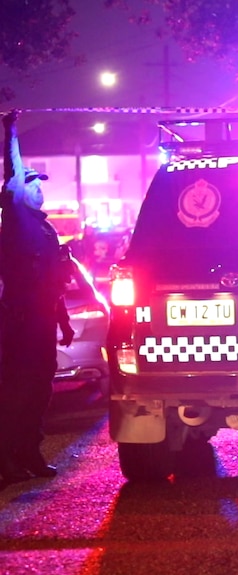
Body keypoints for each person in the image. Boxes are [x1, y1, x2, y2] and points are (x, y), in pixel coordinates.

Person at [0, 109, 74, 483]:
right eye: (32, 182)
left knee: (39, 390)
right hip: (20, 321)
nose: (38, 186)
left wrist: (64, 321)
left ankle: (29, 451)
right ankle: (6, 460)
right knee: (15, 393)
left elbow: (53, 279)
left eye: (39, 181)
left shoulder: (45, 229)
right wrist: (10, 131)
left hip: (43, 321)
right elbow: (12, 174)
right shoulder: (17, 222)